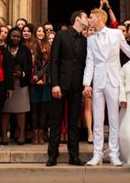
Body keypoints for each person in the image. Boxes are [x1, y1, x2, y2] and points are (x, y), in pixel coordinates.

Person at [83, 8, 130, 166]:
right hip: (98, 81)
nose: (88, 20)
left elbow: (129, 52)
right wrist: (86, 83)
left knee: (113, 119)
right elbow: (89, 61)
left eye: (90, 18)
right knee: (97, 120)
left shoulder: (116, 34)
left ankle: (114, 154)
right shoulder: (90, 39)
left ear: (98, 18)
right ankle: (97, 154)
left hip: (114, 79)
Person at [46, 10, 89, 167]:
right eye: (86, 17)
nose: (88, 19)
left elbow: (85, 64)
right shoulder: (61, 35)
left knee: (73, 122)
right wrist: (55, 83)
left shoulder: (85, 40)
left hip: (76, 87)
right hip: (60, 85)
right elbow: (54, 61)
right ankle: (52, 155)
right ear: (78, 19)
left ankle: (74, 156)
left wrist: (85, 85)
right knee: (56, 121)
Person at [1, 27, 31, 145]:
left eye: (18, 36)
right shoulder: (3, 48)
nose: (15, 38)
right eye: (13, 36)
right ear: (9, 36)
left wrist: (22, 73)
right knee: (5, 110)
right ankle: (4, 136)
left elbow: (29, 66)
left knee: (21, 110)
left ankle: (21, 135)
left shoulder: (25, 50)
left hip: (20, 83)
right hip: (6, 83)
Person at [30, 25, 51, 144]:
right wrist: (35, 77)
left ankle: (41, 134)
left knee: (43, 108)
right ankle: (35, 133)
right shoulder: (31, 46)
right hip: (33, 80)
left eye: (43, 31)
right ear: (35, 33)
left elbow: (49, 64)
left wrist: (40, 75)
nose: (41, 33)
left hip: (45, 80)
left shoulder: (49, 47)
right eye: (39, 31)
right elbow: (30, 63)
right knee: (34, 108)